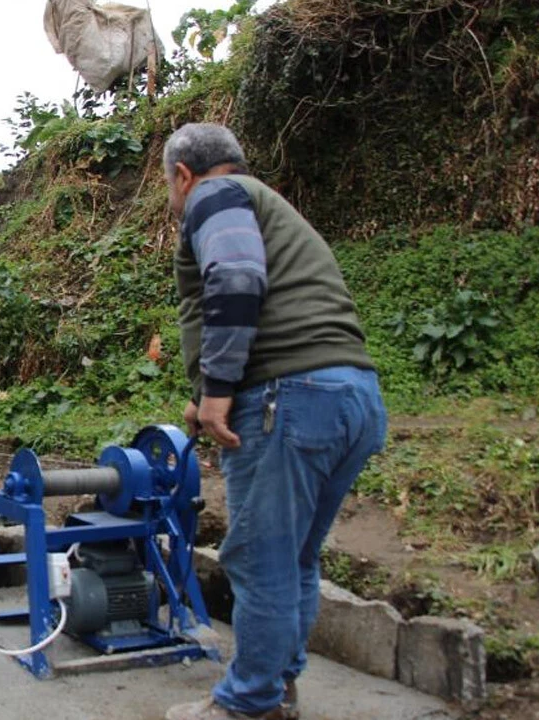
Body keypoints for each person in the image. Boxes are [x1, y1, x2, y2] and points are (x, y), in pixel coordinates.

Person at [161, 124, 388, 720]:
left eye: (170, 186)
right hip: (350, 395)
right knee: (295, 561)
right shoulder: (271, 207)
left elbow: (236, 280)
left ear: (184, 174)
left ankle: (247, 704)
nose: (174, 198)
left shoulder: (214, 197)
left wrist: (217, 396)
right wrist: (210, 394)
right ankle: (279, 687)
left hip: (289, 399)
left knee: (261, 561)